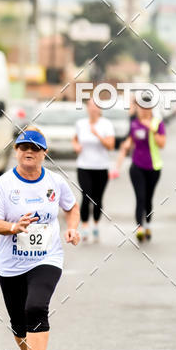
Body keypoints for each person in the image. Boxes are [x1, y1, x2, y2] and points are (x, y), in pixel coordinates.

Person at [0, 127, 80, 350]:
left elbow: (71, 207)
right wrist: (14, 228)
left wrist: (73, 228)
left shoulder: (55, 182)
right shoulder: (4, 184)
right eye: (23, 147)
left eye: (35, 148)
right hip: (12, 263)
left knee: (36, 307)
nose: (29, 152)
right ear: (16, 151)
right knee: (18, 324)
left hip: (47, 258)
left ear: (44, 153)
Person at [112, 97, 167, 242]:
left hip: (154, 167)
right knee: (140, 197)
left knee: (148, 199)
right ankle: (140, 228)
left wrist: (151, 129)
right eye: (140, 107)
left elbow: (162, 144)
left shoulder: (157, 123)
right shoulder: (134, 123)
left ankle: (147, 224)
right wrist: (124, 150)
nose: (142, 110)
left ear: (150, 108)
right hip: (137, 166)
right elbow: (129, 143)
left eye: (145, 107)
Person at [73, 97, 115, 242]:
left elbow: (110, 145)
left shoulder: (106, 125)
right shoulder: (80, 124)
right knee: (86, 196)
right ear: (87, 108)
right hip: (84, 166)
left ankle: (95, 225)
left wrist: (97, 135)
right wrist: (76, 146)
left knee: (97, 199)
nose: (92, 109)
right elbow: (75, 139)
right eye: (90, 106)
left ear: (99, 109)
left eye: (95, 106)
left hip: (101, 167)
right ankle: (84, 227)